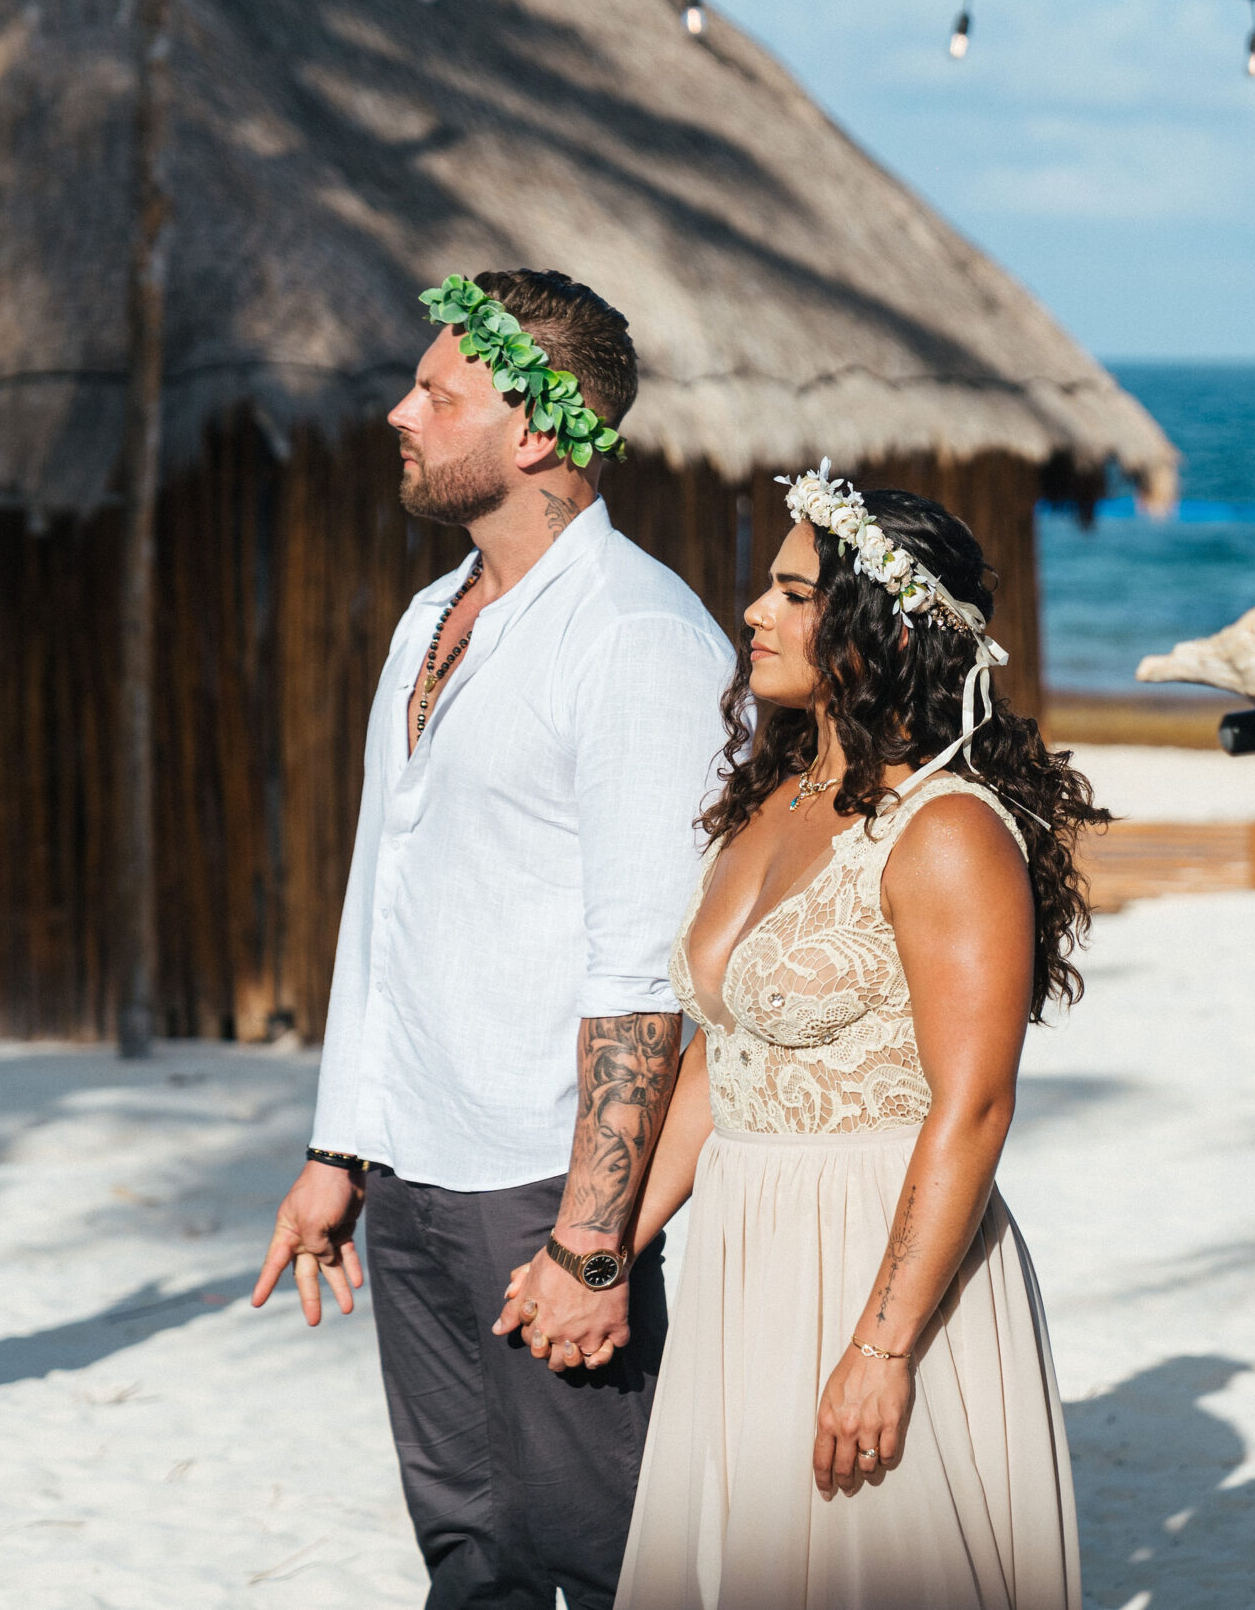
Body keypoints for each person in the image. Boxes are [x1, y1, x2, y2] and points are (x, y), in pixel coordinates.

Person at [249, 269, 734, 1609]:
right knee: (468, 1550)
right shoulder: (428, 621)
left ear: (534, 431)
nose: (400, 412)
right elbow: (382, 905)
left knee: (600, 1551)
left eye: (438, 393)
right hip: (410, 1163)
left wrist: (594, 1239)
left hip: (541, 1178)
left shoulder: (634, 635)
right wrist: (338, 1148)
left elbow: (649, 972)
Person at [587, 470, 1106, 1609]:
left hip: (881, 1251)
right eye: (766, 590)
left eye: (793, 593)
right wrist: (613, 1245)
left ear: (878, 628)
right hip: (745, 1246)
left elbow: (972, 1109)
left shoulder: (950, 828)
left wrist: (881, 1349)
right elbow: (722, 1062)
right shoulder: (772, 798)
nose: (755, 613)